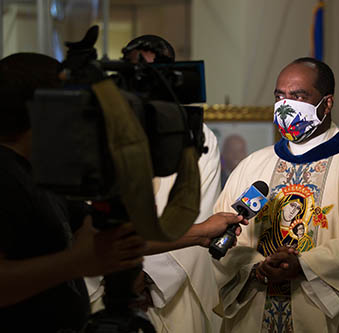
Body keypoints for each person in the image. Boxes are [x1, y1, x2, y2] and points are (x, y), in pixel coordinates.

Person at [213, 57, 339, 332]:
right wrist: (255, 268)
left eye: (298, 96)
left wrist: (306, 265)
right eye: (280, 96)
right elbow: (220, 235)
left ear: (327, 103)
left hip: (326, 317)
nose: (286, 105)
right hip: (256, 307)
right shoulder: (254, 165)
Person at [86, 34, 226, 333]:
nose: (143, 83)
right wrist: (117, 272)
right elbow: (86, 212)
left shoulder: (196, 134)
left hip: (169, 293)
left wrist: (147, 278)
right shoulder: (96, 126)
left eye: (153, 75)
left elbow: (194, 213)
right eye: (134, 73)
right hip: (100, 278)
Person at [0, 53, 148, 332]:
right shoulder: (4, 175)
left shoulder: (39, 174)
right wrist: (75, 263)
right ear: (45, 109)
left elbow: (98, 229)